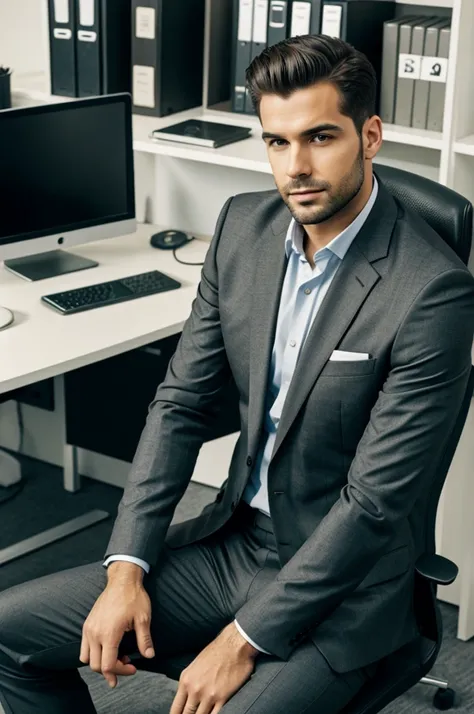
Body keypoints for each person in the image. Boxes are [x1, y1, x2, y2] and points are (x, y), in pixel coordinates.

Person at [1, 34, 474, 714]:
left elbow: (373, 505)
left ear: (370, 136)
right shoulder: (242, 231)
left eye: (320, 137)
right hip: (233, 546)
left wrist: (242, 640)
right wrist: (126, 567)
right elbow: (181, 405)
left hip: (344, 586)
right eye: (277, 142)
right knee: (10, 636)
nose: (297, 167)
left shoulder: (433, 291)